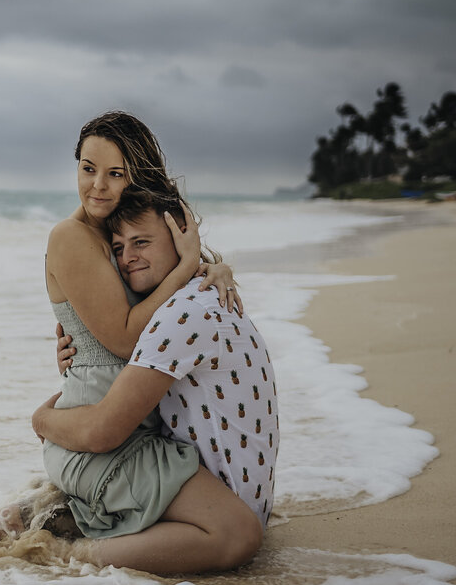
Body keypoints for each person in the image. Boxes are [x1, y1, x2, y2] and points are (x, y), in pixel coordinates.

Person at [33, 186, 279, 557]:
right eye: (118, 249)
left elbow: (105, 428)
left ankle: (74, 544)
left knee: (238, 534)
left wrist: (41, 420)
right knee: (239, 534)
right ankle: (71, 545)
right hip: (214, 497)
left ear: (182, 235)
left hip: (211, 503)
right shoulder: (190, 299)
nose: (128, 257)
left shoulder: (184, 312)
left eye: (141, 242)